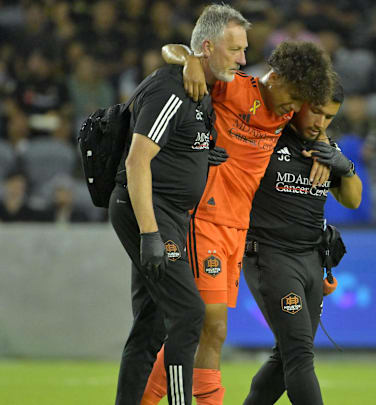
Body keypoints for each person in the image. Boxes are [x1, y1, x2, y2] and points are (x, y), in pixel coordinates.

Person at [140, 39, 333, 405]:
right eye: (293, 96)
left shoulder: (285, 110)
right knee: (209, 325)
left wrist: (323, 141)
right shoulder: (236, 87)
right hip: (206, 216)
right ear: (275, 77)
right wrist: (190, 62)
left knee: (205, 331)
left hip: (237, 228)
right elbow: (170, 49)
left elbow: (316, 120)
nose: (295, 108)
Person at [108, 5, 250, 405]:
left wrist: (201, 156)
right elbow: (137, 161)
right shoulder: (171, 89)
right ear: (207, 46)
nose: (242, 59)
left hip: (169, 214)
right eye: (235, 49)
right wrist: (150, 233)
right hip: (149, 210)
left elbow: (176, 144)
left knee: (151, 327)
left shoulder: (199, 89)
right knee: (189, 314)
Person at [243, 78, 362, 405]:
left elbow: (353, 200)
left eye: (329, 118)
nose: (320, 123)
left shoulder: (328, 150)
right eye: (317, 113)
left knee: (286, 357)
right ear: (299, 103)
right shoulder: (266, 138)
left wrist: (346, 168)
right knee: (298, 355)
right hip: (270, 255)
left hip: (311, 259)